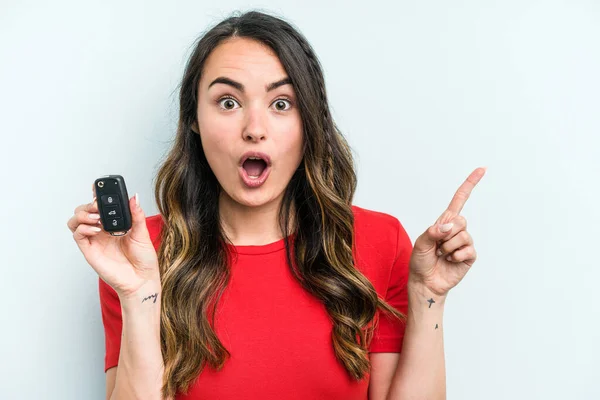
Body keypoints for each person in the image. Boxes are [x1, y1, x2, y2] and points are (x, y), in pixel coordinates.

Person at [67, 10, 485, 400]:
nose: (254, 129)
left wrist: (429, 294)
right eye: (228, 102)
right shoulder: (138, 255)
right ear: (194, 118)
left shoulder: (380, 241)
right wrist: (139, 293)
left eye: (281, 104)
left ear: (310, 123)